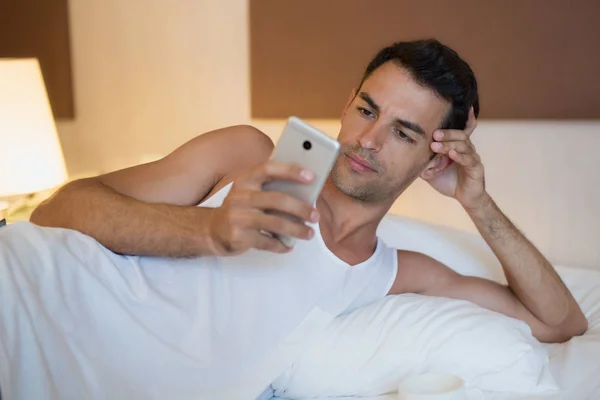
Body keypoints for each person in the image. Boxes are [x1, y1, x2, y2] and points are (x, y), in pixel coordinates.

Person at [20, 39, 586, 397]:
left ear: (432, 158)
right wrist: (208, 231)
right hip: (33, 298)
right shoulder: (245, 156)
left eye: (403, 132)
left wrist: (476, 202)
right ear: (346, 105)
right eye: (367, 109)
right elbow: (56, 210)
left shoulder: (393, 273)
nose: (366, 139)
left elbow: (560, 323)